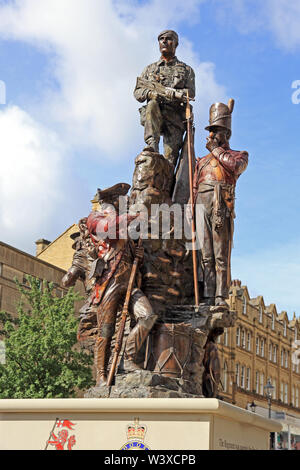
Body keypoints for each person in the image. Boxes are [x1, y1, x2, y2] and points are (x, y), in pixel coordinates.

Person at [62, 183, 157, 386]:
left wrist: (137, 258)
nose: (123, 204)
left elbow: (129, 256)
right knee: (106, 331)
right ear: (109, 203)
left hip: (129, 285)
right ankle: (102, 375)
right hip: (108, 283)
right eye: (119, 201)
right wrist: (135, 217)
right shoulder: (95, 219)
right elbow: (109, 229)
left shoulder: (126, 231)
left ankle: (128, 359)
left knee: (147, 316)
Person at [192, 99, 248, 307]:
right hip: (201, 204)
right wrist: (191, 209)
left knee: (220, 254)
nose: (212, 135)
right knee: (205, 254)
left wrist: (216, 150)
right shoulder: (202, 161)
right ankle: (207, 296)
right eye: (211, 130)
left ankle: (221, 297)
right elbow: (195, 187)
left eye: (216, 130)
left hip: (220, 204)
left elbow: (234, 167)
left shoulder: (238, 155)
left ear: (226, 134)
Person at [134, 30, 195, 167]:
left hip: (175, 117)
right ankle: (152, 145)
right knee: (152, 104)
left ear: (176, 43)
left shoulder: (186, 70)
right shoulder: (150, 69)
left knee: (170, 160)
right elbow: (137, 92)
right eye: (161, 39)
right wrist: (150, 94)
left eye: (169, 39)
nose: (165, 41)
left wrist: (176, 93)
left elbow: (191, 93)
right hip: (155, 114)